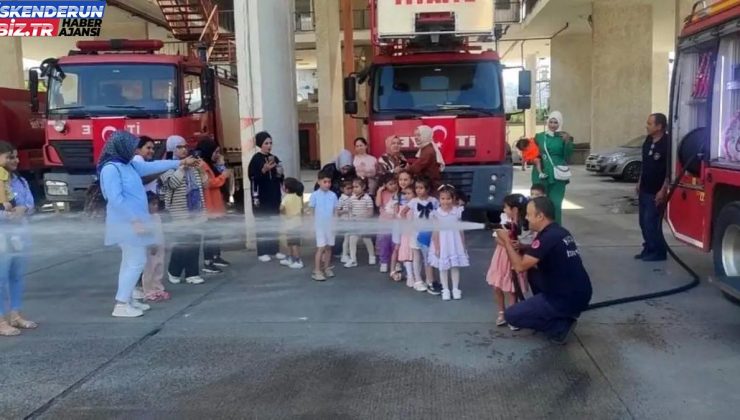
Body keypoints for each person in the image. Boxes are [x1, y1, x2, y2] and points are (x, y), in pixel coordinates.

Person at [99, 131, 194, 318]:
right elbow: (115, 199)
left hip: (136, 222)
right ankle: (121, 304)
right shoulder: (111, 169)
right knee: (136, 261)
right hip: (126, 224)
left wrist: (180, 162)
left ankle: (127, 299)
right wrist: (134, 220)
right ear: (121, 146)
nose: (134, 149)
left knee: (130, 262)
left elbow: (155, 166)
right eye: (132, 145)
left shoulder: (129, 165)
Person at [496, 197, 593, 344]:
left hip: (564, 298)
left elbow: (519, 266)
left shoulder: (546, 237)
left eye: (529, 214)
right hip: (579, 292)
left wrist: (506, 241)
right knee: (533, 272)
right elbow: (545, 251)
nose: (526, 218)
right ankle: (557, 313)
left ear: (540, 216)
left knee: (512, 316)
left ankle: (559, 326)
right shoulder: (559, 232)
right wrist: (524, 247)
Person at [160, 135, 209, 285]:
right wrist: (182, 167)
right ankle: (174, 271)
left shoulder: (193, 164)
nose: (184, 150)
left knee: (195, 241)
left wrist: (201, 170)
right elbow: (171, 183)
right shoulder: (166, 165)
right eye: (179, 147)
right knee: (183, 242)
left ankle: (192, 273)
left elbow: (205, 185)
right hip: (179, 211)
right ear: (171, 149)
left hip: (196, 210)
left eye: (185, 146)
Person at [0, 141, 37, 335]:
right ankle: (0, 321)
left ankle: (15, 315)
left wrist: (24, 209)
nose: (15, 160)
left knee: (16, 277)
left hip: (20, 237)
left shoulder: (21, 181)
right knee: (0, 279)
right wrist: (6, 215)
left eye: (15, 156)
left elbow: (31, 204)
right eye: (10, 157)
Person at [486, 194, 529, 329]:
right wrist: (507, 243)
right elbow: (496, 238)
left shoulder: (525, 223)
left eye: (506, 207)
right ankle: (501, 312)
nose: (504, 210)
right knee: (497, 286)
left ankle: (512, 314)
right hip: (501, 257)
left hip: (516, 258)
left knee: (513, 288)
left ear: (515, 210)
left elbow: (529, 241)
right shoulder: (503, 220)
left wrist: (520, 245)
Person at [636, 113, 670, 262]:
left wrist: (663, 190)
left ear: (659, 126)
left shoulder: (667, 143)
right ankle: (648, 247)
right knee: (643, 222)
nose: (647, 126)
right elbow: (645, 163)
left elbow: (669, 170)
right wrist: (639, 181)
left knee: (651, 222)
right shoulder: (648, 140)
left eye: (650, 124)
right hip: (644, 188)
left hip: (656, 191)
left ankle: (659, 252)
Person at [248, 131, 286, 262]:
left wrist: (280, 174)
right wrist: (263, 170)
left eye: (270, 143)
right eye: (266, 143)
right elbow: (253, 178)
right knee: (263, 224)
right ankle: (262, 251)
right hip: (262, 197)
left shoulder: (274, 158)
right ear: (260, 144)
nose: (269, 146)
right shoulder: (256, 159)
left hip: (274, 195)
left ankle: (274, 250)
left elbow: (280, 177)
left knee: (274, 223)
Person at [195, 137, 232, 271]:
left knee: (216, 232)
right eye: (215, 152)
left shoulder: (209, 163)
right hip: (210, 204)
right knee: (210, 234)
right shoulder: (202, 165)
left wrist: (221, 165)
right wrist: (223, 176)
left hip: (216, 203)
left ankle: (216, 256)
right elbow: (209, 183)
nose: (217, 155)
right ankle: (208, 261)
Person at [531, 111, 574, 225]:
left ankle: (556, 230)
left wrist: (567, 141)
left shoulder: (564, 137)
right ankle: (539, 229)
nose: (553, 125)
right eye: (551, 121)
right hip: (541, 173)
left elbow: (568, 155)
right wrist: (533, 159)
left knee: (555, 204)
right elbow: (531, 151)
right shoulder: (539, 137)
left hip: (558, 174)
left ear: (560, 123)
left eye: (556, 122)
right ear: (547, 122)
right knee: (540, 204)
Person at [429, 185, 470, 301]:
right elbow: (435, 231)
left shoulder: (457, 212)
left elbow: (460, 229)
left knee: (455, 266)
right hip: (442, 243)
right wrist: (437, 247)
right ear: (439, 199)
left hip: (454, 242)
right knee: (443, 267)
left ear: (453, 199)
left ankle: (456, 289)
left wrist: (463, 244)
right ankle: (445, 289)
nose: (445, 201)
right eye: (442, 198)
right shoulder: (436, 214)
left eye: (448, 198)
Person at [406, 177, 442, 294]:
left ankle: (430, 279)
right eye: (416, 188)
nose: (418, 190)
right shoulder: (413, 201)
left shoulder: (434, 201)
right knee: (417, 256)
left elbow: (438, 214)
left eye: (421, 188)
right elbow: (403, 212)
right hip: (416, 232)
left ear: (427, 189)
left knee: (429, 257)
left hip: (429, 233)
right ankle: (418, 280)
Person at [309, 170, 339, 281]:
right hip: (319, 226)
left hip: (330, 226)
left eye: (329, 182)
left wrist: (336, 222)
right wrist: (311, 225)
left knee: (328, 248)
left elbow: (335, 210)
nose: (327, 184)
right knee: (320, 248)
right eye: (325, 181)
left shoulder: (333, 195)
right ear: (319, 182)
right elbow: (311, 211)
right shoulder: (314, 195)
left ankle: (326, 268)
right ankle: (317, 270)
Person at [141, 191, 170, 302]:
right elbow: (146, 233)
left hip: (160, 246)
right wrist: (151, 243)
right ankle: (148, 291)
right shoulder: (144, 218)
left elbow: (160, 231)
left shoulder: (157, 217)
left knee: (159, 267)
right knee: (149, 269)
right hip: (150, 248)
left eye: (157, 204)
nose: (156, 206)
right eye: (152, 204)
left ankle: (158, 288)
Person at [345, 178, 376, 268]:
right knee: (352, 240)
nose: (354, 189)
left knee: (366, 239)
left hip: (364, 222)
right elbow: (350, 209)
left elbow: (370, 212)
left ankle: (372, 256)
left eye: (357, 187)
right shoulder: (351, 198)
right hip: (354, 222)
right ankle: (353, 259)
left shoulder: (367, 198)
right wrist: (350, 218)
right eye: (353, 187)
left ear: (363, 187)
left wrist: (363, 217)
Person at [390, 170, 414, 281]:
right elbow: (395, 213)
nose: (403, 182)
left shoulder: (414, 196)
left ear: (411, 180)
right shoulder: (397, 195)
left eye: (405, 179)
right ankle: (393, 269)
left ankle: (410, 271)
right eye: (400, 179)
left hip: (410, 226)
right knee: (397, 247)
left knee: (410, 247)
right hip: (399, 225)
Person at [375, 173, 399, 274]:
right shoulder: (383, 193)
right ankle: (384, 261)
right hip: (384, 223)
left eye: (394, 183)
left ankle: (396, 262)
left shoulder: (399, 194)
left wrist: (397, 193)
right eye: (390, 184)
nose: (393, 185)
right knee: (384, 242)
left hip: (396, 223)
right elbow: (378, 204)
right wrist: (379, 191)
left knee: (395, 243)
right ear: (384, 185)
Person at [280, 177, 305, 269]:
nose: (282, 187)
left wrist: (282, 213)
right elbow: (301, 210)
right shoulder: (298, 197)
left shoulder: (286, 198)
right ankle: (289, 258)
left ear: (287, 189)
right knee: (292, 243)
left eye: (283, 185)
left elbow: (281, 209)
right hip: (298, 224)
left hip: (290, 225)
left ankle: (297, 260)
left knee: (293, 244)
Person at [397, 185, 417, 288]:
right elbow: (400, 216)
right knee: (407, 255)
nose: (406, 196)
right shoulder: (404, 206)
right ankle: (410, 276)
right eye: (405, 194)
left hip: (415, 234)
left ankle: (416, 275)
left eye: (409, 193)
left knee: (415, 256)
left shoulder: (417, 205)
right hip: (406, 234)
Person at [337, 179, 354, 264]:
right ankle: (344, 255)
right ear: (342, 189)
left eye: (351, 188)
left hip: (351, 221)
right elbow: (338, 211)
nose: (350, 190)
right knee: (346, 239)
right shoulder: (341, 199)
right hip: (345, 221)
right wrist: (346, 211)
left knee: (351, 239)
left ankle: (349, 254)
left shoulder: (352, 197)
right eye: (348, 188)